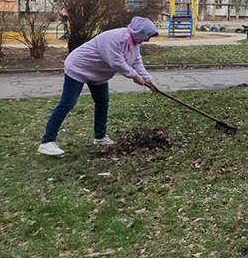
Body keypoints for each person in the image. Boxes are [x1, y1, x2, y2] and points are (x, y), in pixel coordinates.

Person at [37, 17, 160, 156]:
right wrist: (134, 76)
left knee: (102, 102)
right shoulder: (114, 37)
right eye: (147, 36)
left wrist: (149, 81)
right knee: (67, 103)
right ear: (140, 32)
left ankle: (100, 137)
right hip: (79, 67)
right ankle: (47, 142)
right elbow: (117, 62)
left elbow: (137, 63)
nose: (147, 40)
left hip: (97, 73)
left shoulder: (134, 43)